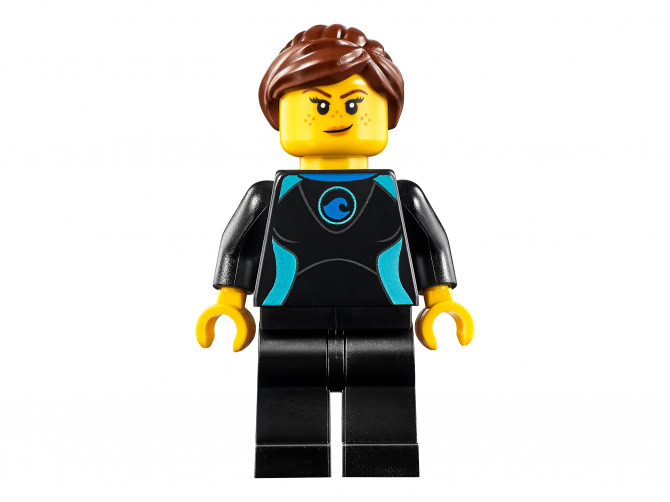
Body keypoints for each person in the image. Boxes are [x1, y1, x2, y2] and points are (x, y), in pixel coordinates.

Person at [196, 24, 474, 478]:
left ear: (386, 112)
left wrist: (440, 301)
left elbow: (430, 243)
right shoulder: (269, 196)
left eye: (355, 104)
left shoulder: (400, 194)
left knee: (384, 389)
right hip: (288, 317)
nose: (337, 116)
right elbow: (239, 246)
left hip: (384, 317)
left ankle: (383, 459)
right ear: (279, 113)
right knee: (288, 390)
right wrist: (230, 303)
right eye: (318, 105)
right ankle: (290, 459)